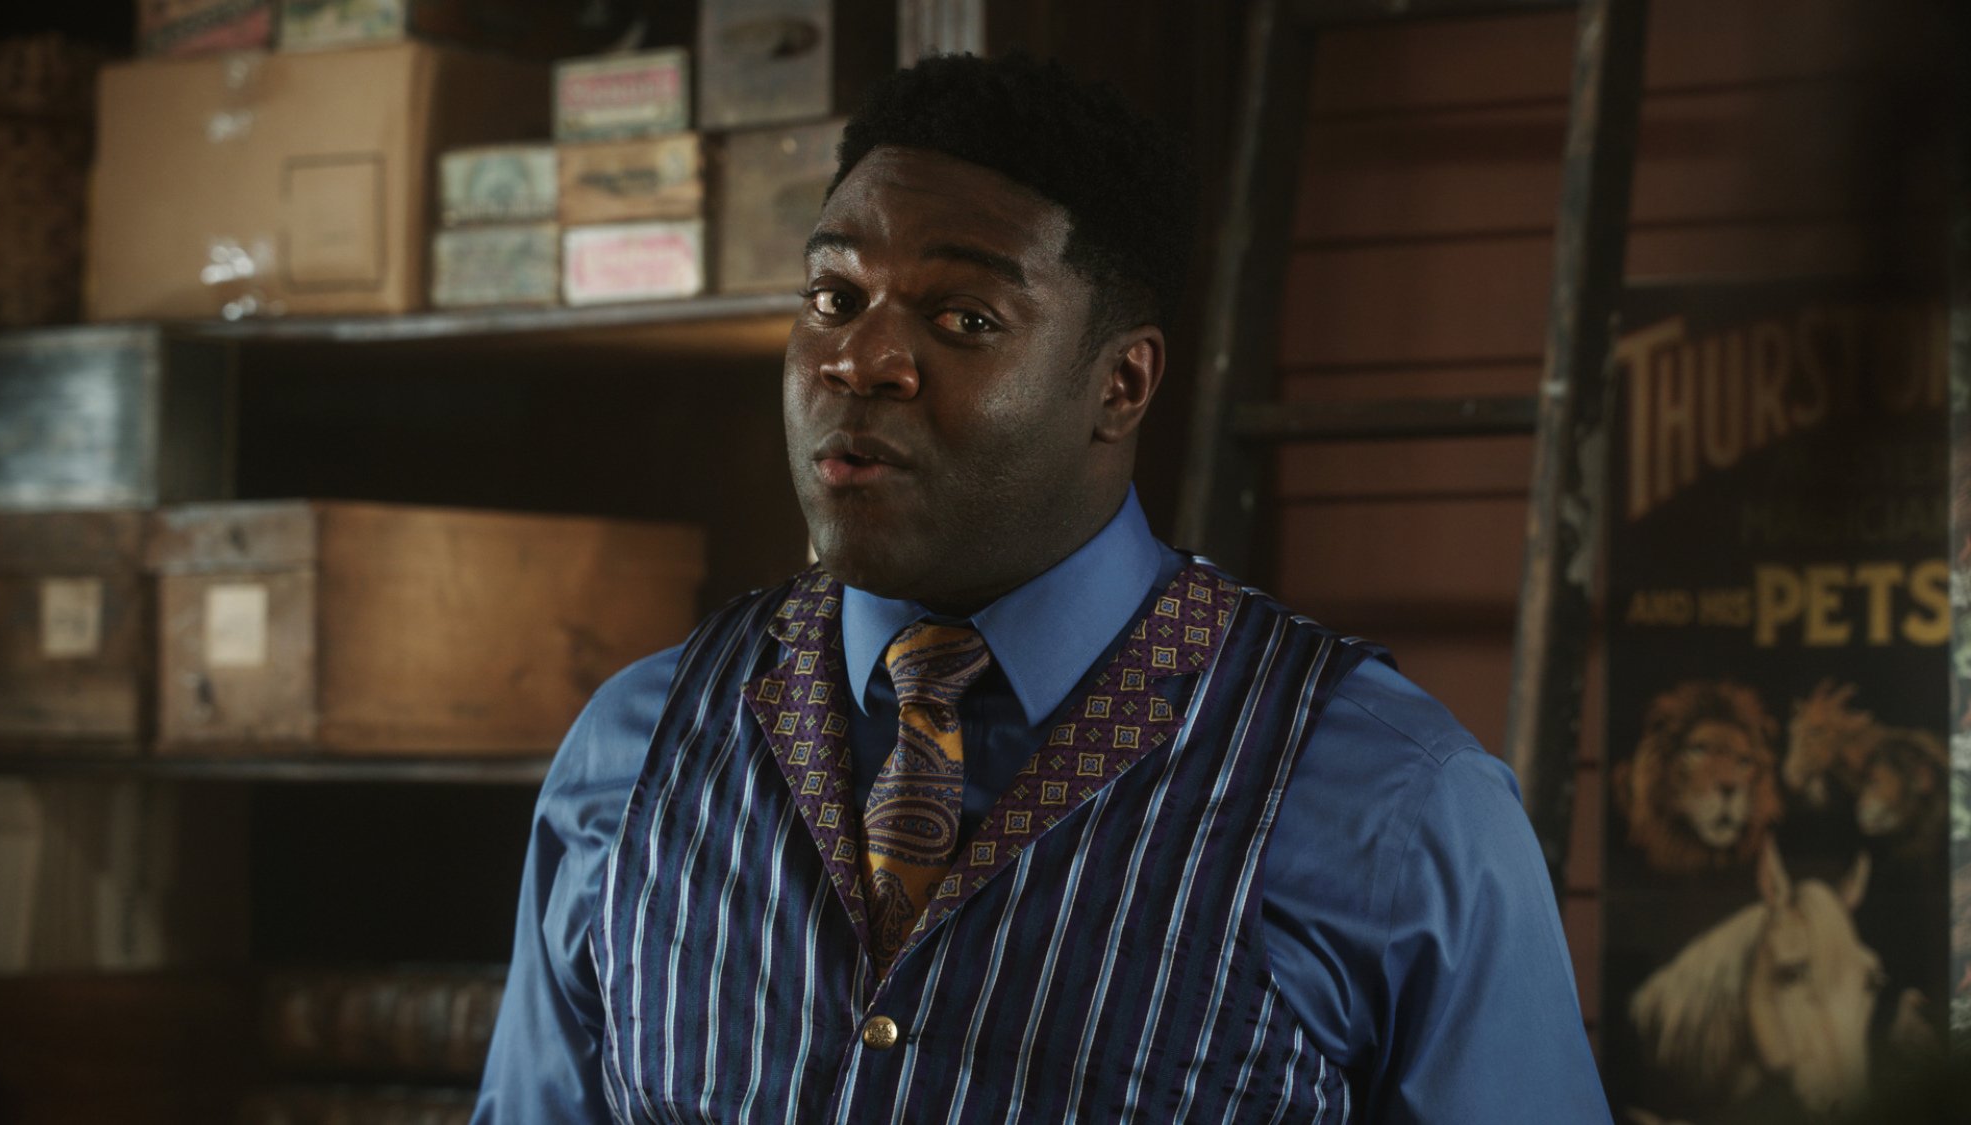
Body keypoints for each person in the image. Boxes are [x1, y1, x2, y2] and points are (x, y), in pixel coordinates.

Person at [475, 52, 1610, 1124]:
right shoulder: (629, 763)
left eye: (964, 319)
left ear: (1120, 383)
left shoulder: (1389, 810)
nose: (859, 360)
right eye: (832, 296)